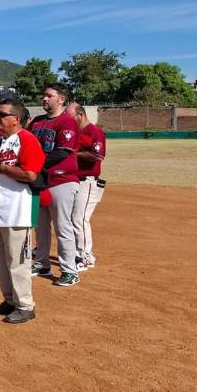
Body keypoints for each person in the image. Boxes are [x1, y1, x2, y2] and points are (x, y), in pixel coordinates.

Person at [0, 100, 45, 324]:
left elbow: (31, 175)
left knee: (17, 260)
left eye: (2, 114)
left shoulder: (27, 140)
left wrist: (1, 167)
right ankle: (10, 300)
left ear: (15, 119)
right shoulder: (3, 142)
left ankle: (25, 305)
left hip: (18, 211)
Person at [28, 83, 81, 287]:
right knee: (40, 227)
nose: (45, 99)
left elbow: (63, 152)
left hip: (62, 180)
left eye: (50, 95)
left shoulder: (66, 121)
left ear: (61, 99)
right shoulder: (38, 122)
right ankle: (42, 263)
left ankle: (69, 269)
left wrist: (36, 164)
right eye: (44, 95)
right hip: (41, 181)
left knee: (62, 226)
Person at [67, 103, 106, 272]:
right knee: (72, 219)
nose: (68, 121)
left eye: (70, 117)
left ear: (80, 115)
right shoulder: (74, 132)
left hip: (88, 180)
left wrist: (74, 154)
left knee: (79, 219)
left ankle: (86, 257)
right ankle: (77, 253)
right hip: (75, 180)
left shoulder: (94, 131)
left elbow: (98, 155)